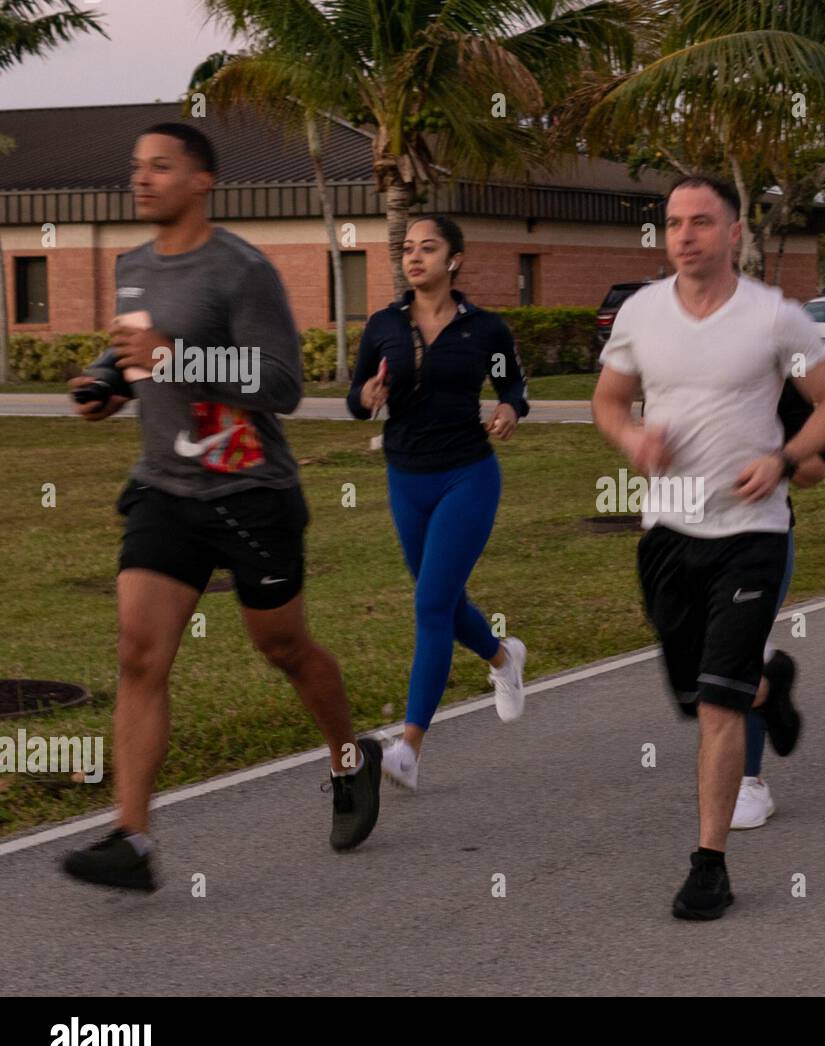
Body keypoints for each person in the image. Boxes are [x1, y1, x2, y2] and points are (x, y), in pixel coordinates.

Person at [61, 123, 382, 892]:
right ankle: (132, 838)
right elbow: (132, 347)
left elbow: (282, 384)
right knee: (140, 651)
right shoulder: (133, 264)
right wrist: (106, 380)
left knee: (283, 647)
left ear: (202, 180)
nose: (142, 179)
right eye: (136, 166)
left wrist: (175, 358)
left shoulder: (243, 269)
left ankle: (350, 756)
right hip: (166, 488)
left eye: (160, 167)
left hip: (250, 489)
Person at [593, 175, 825, 920]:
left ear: (733, 232)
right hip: (668, 530)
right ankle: (769, 689)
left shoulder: (775, 318)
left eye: (701, 222)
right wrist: (631, 436)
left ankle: (709, 863)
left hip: (752, 531)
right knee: (697, 692)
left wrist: (782, 456)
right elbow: (607, 400)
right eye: (674, 223)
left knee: (714, 704)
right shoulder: (642, 313)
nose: (684, 235)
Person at [347, 215, 530, 791]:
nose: (415, 257)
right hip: (406, 478)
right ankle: (503, 659)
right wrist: (366, 396)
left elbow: (512, 387)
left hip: (468, 477)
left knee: (429, 604)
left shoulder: (485, 330)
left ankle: (409, 747)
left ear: (454, 260)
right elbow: (356, 398)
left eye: (428, 248)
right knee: (444, 604)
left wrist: (509, 411)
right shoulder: (382, 326)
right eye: (407, 249)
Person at [731, 381, 825, 831]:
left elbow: (815, 469)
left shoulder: (774, 381)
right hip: (682, 538)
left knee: (733, 659)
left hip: (760, 538)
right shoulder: (668, 364)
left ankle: (748, 781)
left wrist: (777, 461)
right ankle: (770, 689)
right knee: (695, 670)